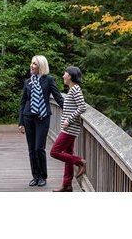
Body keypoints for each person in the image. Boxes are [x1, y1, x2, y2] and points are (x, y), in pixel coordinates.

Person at [18, 55, 65, 187]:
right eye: (31, 63)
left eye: (35, 64)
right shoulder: (28, 82)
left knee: (39, 147)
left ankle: (43, 176)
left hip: (43, 117)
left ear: (41, 66)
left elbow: (58, 97)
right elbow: (23, 102)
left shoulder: (49, 80)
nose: (31, 66)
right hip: (28, 117)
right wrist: (20, 122)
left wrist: (69, 109)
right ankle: (35, 176)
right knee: (31, 149)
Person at [49, 66, 88, 192]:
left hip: (70, 129)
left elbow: (82, 107)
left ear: (70, 76)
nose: (63, 76)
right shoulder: (72, 90)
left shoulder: (76, 89)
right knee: (67, 155)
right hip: (68, 128)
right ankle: (67, 185)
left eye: (64, 73)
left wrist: (69, 120)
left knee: (54, 152)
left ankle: (80, 162)